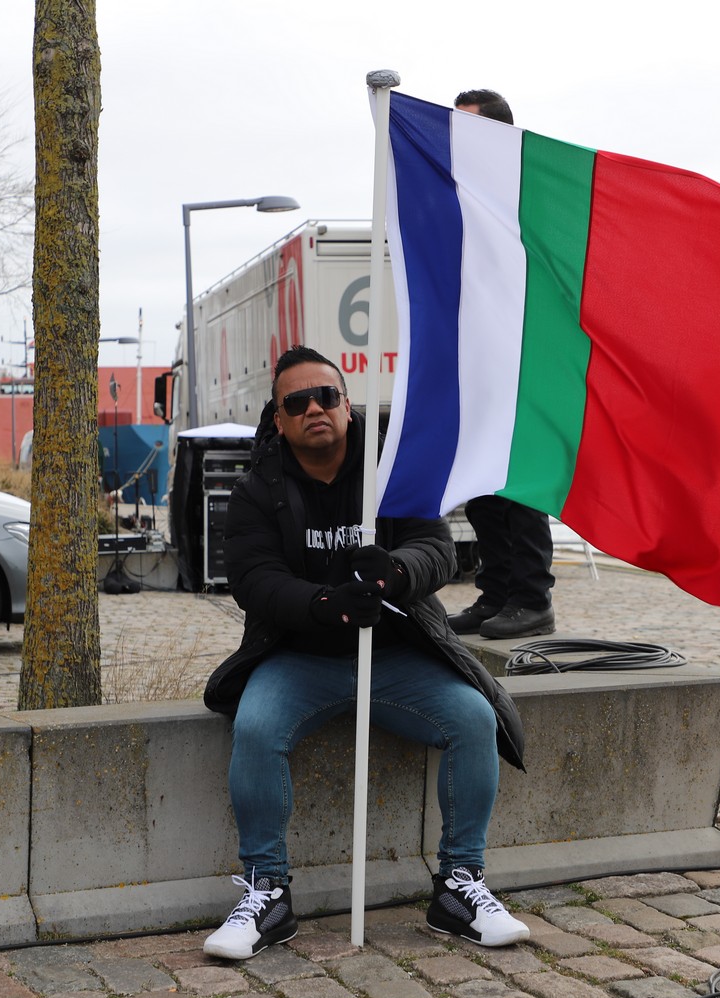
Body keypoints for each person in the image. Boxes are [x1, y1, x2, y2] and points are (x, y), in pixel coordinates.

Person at [200, 346, 531, 960]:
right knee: (257, 727)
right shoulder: (256, 490)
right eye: (297, 402)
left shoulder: (393, 469)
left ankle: (459, 887)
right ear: (279, 420)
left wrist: (394, 574)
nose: (314, 409)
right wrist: (325, 604)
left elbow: (437, 549)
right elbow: (254, 580)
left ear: (347, 405)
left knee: (473, 719)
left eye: (326, 396)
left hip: (395, 653)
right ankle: (267, 893)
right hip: (299, 656)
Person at [447, 88, 558, 642]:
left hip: (525, 359)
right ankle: (496, 595)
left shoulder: (526, 189)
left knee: (521, 483)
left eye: (465, 127)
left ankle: (532, 599)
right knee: (484, 484)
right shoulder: (465, 191)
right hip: (482, 357)